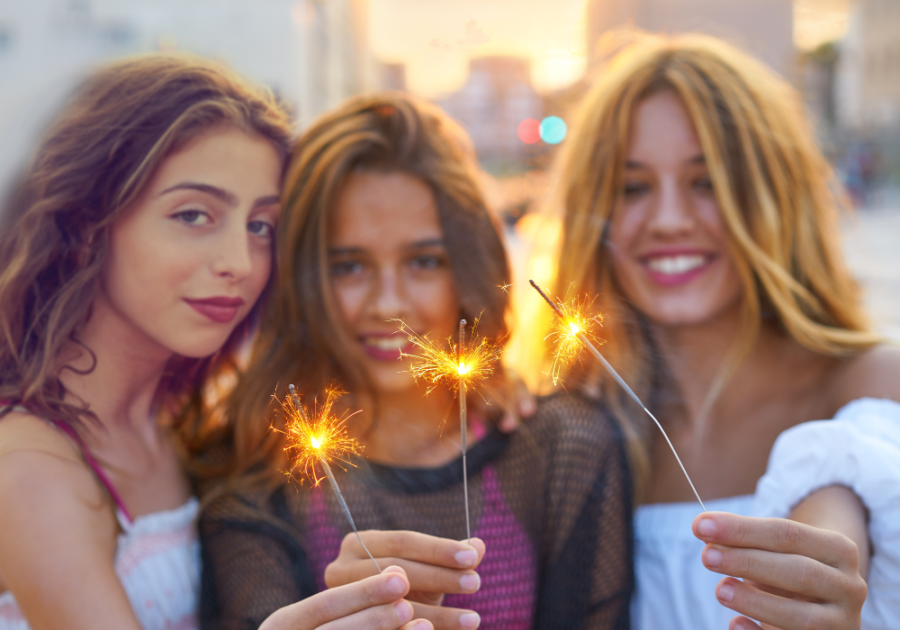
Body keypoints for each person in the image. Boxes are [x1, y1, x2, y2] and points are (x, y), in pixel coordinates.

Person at [0, 54, 428, 630]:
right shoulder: (30, 468)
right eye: (194, 215)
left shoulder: (181, 423)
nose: (239, 263)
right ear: (86, 227)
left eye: (261, 226)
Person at [195, 92, 634, 630]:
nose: (387, 304)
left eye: (423, 261)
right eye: (349, 266)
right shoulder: (255, 492)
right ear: (301, 281)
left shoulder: (564, 449)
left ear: (467, 269)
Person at [535, 32, 900, 630]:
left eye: (706, 182)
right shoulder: (564, 427)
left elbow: (843, 494)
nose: (670, 219)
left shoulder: (875, 388)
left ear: (774, 196)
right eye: (632, 188)